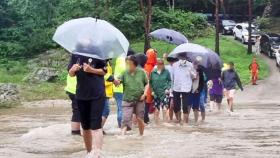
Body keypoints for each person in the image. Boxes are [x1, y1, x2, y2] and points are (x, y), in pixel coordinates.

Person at [68, 54, 107, 158]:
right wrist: (72, 69)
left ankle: (97, 154)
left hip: (97, 94)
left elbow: (104, 71)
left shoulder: (98, 52)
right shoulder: (76, 53)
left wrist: (91, 70)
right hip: (81, 94)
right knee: (85, 127)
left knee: (96, 125)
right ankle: (89, 153)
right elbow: (71, 73)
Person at [118, 55, 148, 136]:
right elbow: (118, 82)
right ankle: (122, 137)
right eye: (126, 63)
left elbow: (147, 84)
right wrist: (115, 81)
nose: (127, 65)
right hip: (127, 99)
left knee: (139, 118)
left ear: (134, 63)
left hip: (140, 99)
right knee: (125, 120)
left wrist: (144, 94)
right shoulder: (124, 73)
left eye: (129, 63)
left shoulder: (141, 72)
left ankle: (141, 135)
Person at [171, 53, 196, 125]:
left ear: (186, 57)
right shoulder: (175, 65)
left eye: (184, 57)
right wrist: (171, 88)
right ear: (179, 57)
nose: (183, 58)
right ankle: (178, 120)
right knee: (176, 106)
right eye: (181, 56)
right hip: (176, 87)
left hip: (186, 87)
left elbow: (194, 76)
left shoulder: (190, 65)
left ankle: (185, 122)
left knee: (185, 106)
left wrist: (191, 72)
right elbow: (172, 77)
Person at [150, 58, 171, 124]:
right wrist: (152, 91)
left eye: (162, 64)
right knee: (156, 109)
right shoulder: (153, 72)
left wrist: (167, 88)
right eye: (159, 64)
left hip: (164, 92)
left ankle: (165, 123)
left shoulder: (166, 72)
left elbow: (169, 81)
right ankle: (157, 124)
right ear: (157, 64)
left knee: (165, 108)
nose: (160, 65)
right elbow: (150, 82)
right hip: (156, 93)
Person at [143, 48, 157, 124]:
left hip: (144, 88)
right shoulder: (153, 67)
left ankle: (145, 118)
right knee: (148, 104)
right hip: (150, 88)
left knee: (146, 104)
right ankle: (146, 119)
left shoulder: (144, 65)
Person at [102, 60, 114, 134]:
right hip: (103, 92)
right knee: (106, 111)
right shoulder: (103, 63)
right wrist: (113, 80)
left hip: (107, 92)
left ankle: (98, 128)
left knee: (103, 111)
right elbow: (104, 76)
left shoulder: (108, 63)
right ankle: (98, 128)